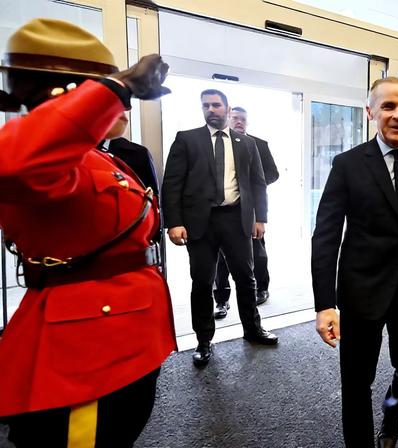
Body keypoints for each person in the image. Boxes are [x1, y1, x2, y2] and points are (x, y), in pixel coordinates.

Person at [0, 19, 175, 447]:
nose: (124, 107)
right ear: (65, 95)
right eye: (112, 93)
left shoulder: (95, 157)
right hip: (86, 350)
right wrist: (117, 87)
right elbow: (17, 164)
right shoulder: (33, 153)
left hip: (121, 335)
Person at [311, 76, 398, 448]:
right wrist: (325, 303)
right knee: (357, 381)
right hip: (362, 290)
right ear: (370, 111)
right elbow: (325, 236)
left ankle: (391, 413)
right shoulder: (348, 164)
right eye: (388, 106)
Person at [161, 88, 278, 368]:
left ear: (227, 108)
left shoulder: (245, 143)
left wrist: (260, 218)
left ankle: (252, 329)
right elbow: (172, 184)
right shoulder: (187, 139)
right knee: (202, 282)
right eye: (205, 106)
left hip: (236, 218)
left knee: (246, 278)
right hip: (200, 222)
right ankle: (203, 341)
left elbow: (258, 183)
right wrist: (173, 222)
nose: (210, 110)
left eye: (216, 105)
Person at [214, 106, 279, 318]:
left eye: (243, 119)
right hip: (223, 212)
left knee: (258, 253)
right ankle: (221, 300)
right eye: (235, 118)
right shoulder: (217, 143)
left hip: (249, 210)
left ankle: (262, 288)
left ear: (247, 122)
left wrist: (249, 187)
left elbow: (272, 173)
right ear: (229, 119)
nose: (239, 122)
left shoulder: (259, 144)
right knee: (221, 259)